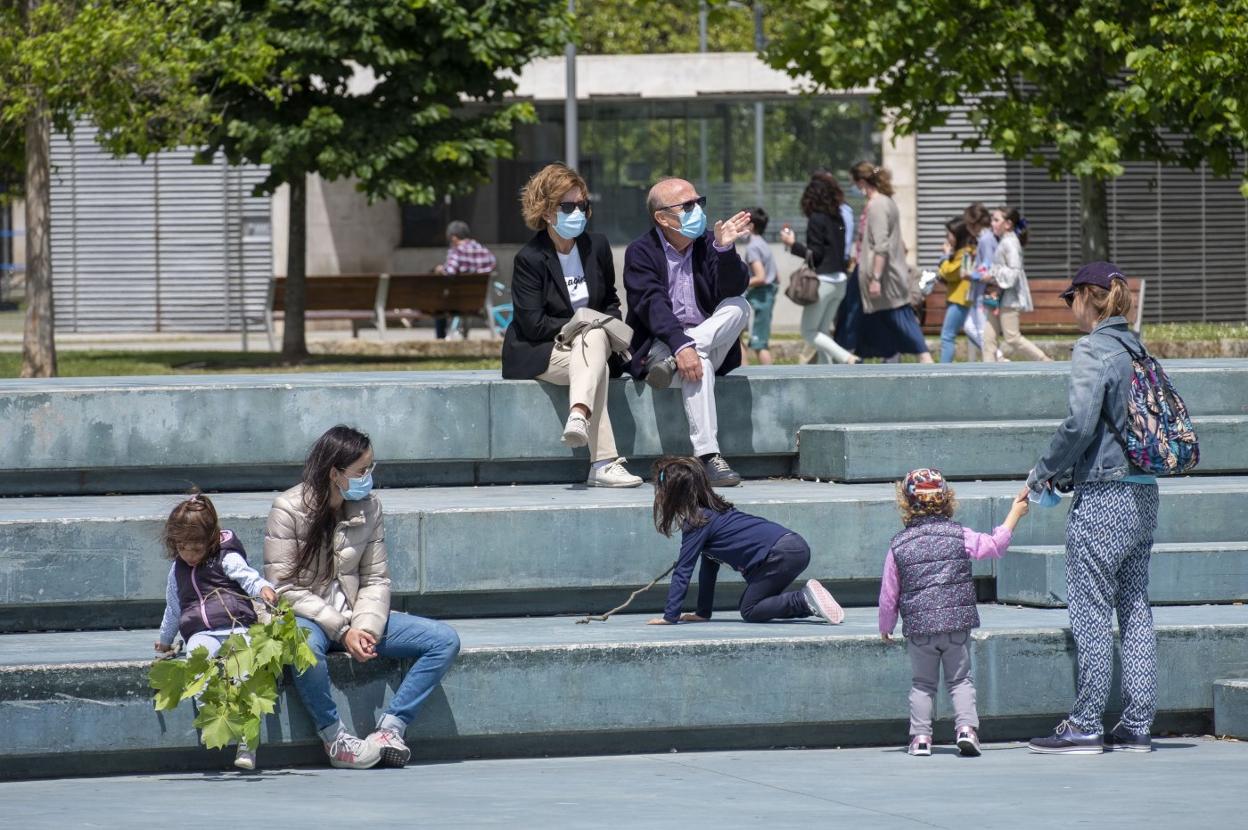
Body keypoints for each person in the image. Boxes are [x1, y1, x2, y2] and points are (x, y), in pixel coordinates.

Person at [264, 426, 461, 769]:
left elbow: (375, 578)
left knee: (443, 641)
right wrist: (342, 631)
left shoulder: (369, 507)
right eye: (361, 471)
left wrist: (366, 627)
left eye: (371, 468)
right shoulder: (287, 508)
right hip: (308, 618)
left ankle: (391, 728)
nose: (369, 478)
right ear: (334, 474)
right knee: (303, 647)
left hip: (356, 617)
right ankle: (333, 737)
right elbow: (283, 588)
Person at [1023, 263, 1159, 755]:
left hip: (1104, 495)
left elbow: (1080, 425)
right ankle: (1138, 723)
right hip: (1144, 492)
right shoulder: (1136, 346)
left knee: (1091, 610)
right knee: (1135, 607)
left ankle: (1085, 723)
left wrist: (1041, 472)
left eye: (1070, 299)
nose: (1070, 308)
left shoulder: (1092, 348)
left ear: (1087, 297)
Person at [501, 163, 641, 488]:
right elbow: (532, 324)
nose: (577, 212)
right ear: (547, 211)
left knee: (593, 338)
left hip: (591, 346)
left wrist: (600, 324)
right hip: (543, 350)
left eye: (583, 206)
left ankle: (579, 416)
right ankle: (603, 463)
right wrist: (579, 324)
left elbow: (610, 302)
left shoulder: (598, 247)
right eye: (568, 206)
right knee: (596, 359)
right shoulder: (530, 259)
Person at [880, 469, 1030, 757]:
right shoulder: (959, 535)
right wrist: (1014, 514)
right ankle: (966, 730)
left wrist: (886, 625)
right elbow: (994, 546)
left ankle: (921, 738)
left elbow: (889, 593)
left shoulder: (898, 544)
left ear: (907, 504)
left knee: (923, 684)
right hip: (956, 626)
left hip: (920, 628)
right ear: (947, 499)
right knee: (960, 679)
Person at [623, 177, 753, 487]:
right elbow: (650, 304)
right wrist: (680, 345)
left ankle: (681, 355)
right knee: (700, 365)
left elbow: (733, 288)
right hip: (660, 345)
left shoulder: (710, 243)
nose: (698, 210)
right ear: (662, 217)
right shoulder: (641, 252)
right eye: (688, 205)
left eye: (700, 202)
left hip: (697, 345)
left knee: (739, 306)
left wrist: (725, 250)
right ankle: (709, 457)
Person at [155, 493, 278, 771]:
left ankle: (248, 739)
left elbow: (248, 576)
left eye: (196, 549)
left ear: (210, 540)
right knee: (197, 670)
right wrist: (165, 640)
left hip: (237, 626)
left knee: (243, 673)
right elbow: (173, 608)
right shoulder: (177, 570)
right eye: (183, 548)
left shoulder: (226, 557)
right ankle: (220, 717)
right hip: (201, 633)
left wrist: (263, 589)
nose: (189, 555)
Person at [647, 456, 844, 625]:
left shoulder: (697, 521)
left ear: (673, 494)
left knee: (750, 609)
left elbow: (683, 570)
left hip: (779, 553)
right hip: (795, 546)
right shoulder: (715, 512)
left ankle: (803, 600)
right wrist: (702, 613)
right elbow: (709, 567)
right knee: (760, 601)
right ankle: (813, 602)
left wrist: (670, 616)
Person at [849, 161, 933, 363]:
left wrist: (876, 278)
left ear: (862, 182)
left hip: (885, 280)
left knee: (900, 319)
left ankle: (927, 363)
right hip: (882, 278)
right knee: (878, 327)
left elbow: (881, 245)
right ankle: (871, 362)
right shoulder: (884, 202)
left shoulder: (878, 205)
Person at [780, 175, 859, 364]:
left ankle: (847, 358)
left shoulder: (816, 219)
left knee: (808, 332)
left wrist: (792, 244)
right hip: (840, 282)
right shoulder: (838, 217)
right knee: (822, 333)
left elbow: (815, 255)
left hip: (823, 281)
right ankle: (828, 374)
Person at [981, 206, 1051, 363]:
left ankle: (1045, 361)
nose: (992, 223)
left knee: (1012, 337)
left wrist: (991, 274)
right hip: (998, 297)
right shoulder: (1005, 241)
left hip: (1009, 299)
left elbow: (1014, 272)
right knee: (988, 338)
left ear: (1008, 224)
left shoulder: (1010, 243)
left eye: (996, 220)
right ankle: (986, 374)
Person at [433, 220, 497, 339]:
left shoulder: (456, 251)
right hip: (479, 302)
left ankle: (440, 339)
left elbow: (449, 272)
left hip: (458, 302)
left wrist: (440, 269)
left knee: (438, 307)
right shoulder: (483, 250)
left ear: (454, 238)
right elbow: (493, 265)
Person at [936, 219, 977, 363]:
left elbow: (949, 273)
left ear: (958, 235)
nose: (947, 237)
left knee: (947, 336)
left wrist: (945, 256)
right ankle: (996, 356)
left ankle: (943, 371)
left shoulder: (964, 253)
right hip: (959, 298)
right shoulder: (962, 252)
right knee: (974, 333)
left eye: (950, 234)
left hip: (959, 299)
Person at [742, 207, 778, 366]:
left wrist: (738, 283)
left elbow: (760, 277)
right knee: (759, 342)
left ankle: (743, 377)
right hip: (767, 296)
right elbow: (777, 276)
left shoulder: (752, 247)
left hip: (759, 297)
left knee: (755, 343)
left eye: (741, 223)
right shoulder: (763, 244)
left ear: (750, 226)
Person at [962, 203, 994, 361]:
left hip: (983, 291)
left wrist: (970, 274)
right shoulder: (984, 238)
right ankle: (996, 356)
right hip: (979, 291)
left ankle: (996, 358)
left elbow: (988, 267)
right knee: (969, 326)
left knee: (982, 330)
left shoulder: (986, 239)